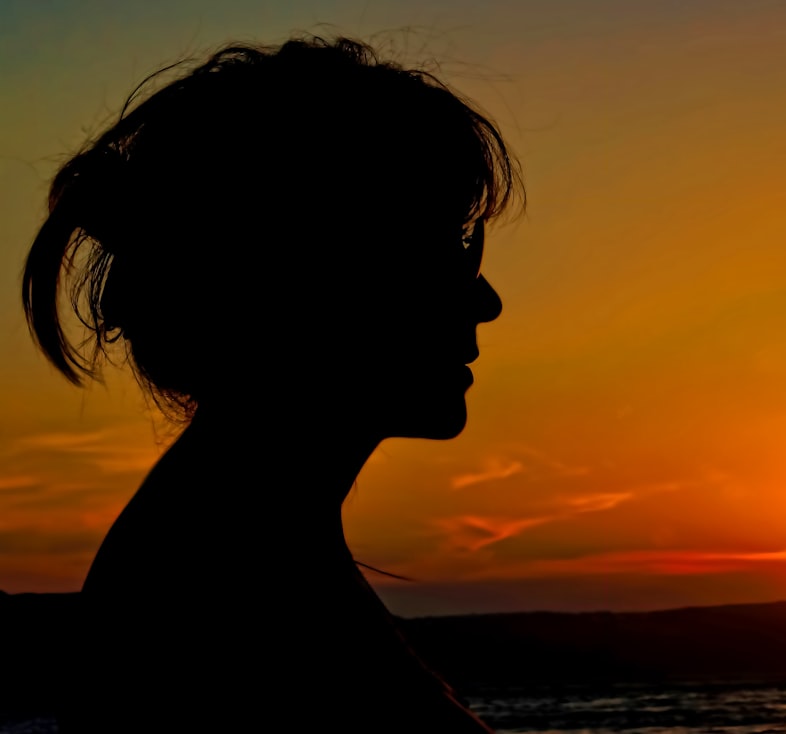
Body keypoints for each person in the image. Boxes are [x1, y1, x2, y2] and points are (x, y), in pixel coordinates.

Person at [19, 33, 522, 732]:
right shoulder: (236, 592)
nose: (485, 300)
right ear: (311, 272)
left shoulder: (233, 548)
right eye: (449, 247)